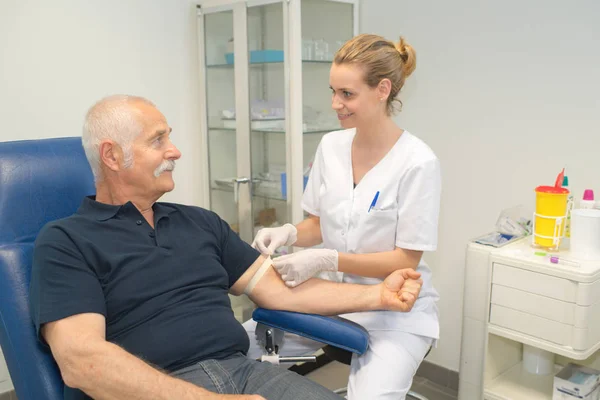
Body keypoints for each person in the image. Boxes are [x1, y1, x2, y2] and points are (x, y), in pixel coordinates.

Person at [29, 94, 424, 400]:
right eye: (158, 140)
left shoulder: (199, 222)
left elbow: (280, 290)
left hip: (247, 373)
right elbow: (83, 362)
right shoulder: (66, 241)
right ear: (112, 155)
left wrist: (378, 295)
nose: (175, 150)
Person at [247, 34, 441, 400]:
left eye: (347, 94)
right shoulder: (331, 146)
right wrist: (287, 232)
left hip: (394, 311)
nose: (336, 103)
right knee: (234, 348)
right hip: (329, 297)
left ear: (382, 89)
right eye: (333, 91)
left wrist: (327, 257)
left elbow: (406, 259)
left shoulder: (418, 162)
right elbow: (318, 224)